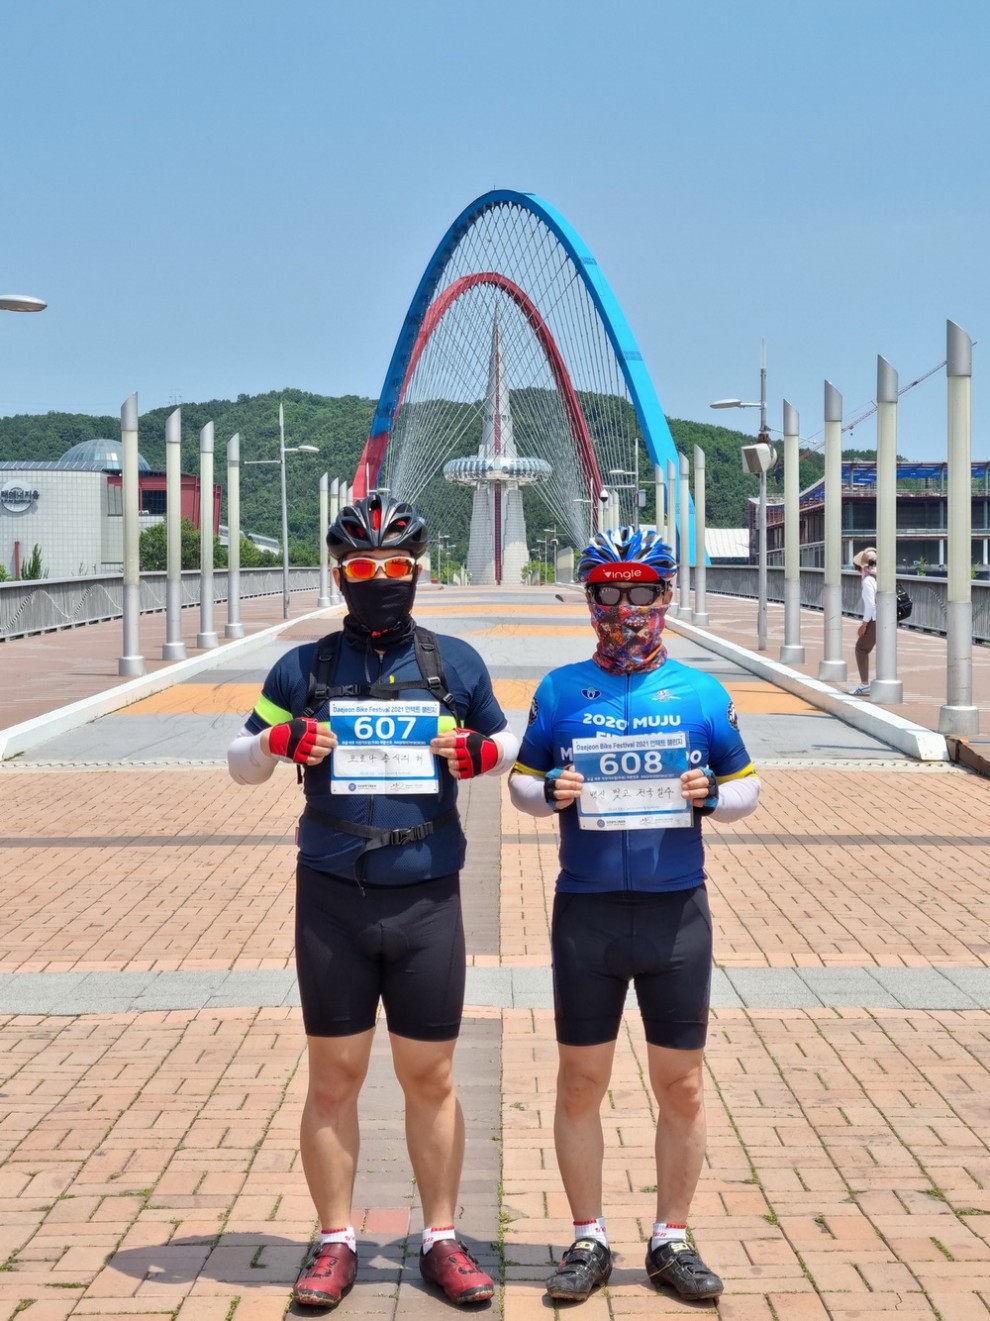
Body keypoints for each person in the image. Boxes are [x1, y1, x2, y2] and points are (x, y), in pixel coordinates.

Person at [227, 493, 519, 1311]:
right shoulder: (304, 668)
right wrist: (276, 741)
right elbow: (240, 758)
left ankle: (441, 1235)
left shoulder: (454, 663)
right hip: (332, 902)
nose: (380, 578)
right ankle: (335, 1238)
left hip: (427, 899)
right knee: (334, 1078)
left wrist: (480, 752)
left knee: (431, 1075)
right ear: (340, 574)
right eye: (363, 566)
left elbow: (508, 741)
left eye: (395, 565)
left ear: (416, 570)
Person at [508, 527, 760, 1305]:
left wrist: (712, 797)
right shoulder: (559, 690)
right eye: (609, 593)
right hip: (585, 911)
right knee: (580, 1081)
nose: (626, 608)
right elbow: (520, 782)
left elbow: (747, 787)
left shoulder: (701, 692)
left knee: (681, 1085)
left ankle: (670, 1237)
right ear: (590, 599)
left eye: (641, 591)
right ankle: (588, 1235)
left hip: (675, 912)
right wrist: (547, 792)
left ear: (665, 596)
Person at [850, 547, 878, 696]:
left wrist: (864, 624)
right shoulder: (879, 577)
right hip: (887, 619)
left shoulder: (867, 581)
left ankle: (864, 684)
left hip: (875, 620)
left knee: (861, 648)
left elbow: (871, 606)